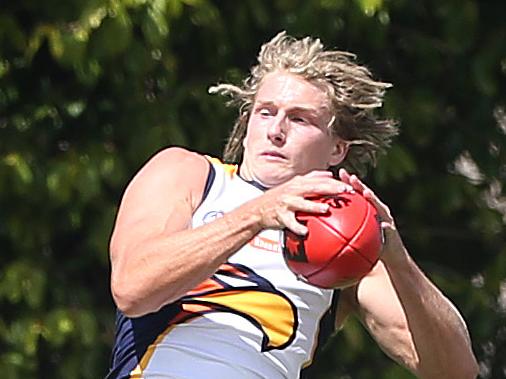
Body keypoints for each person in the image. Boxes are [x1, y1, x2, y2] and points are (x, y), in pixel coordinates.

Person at [106, 32, 478, 379]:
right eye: (265, 112)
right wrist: (256, 215)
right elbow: (133, 289)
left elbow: (455, 372)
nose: (275, 130)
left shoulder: (344, 236)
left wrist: (398, 260)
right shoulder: (190, 174)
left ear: (337, 149)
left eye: (299, 119)